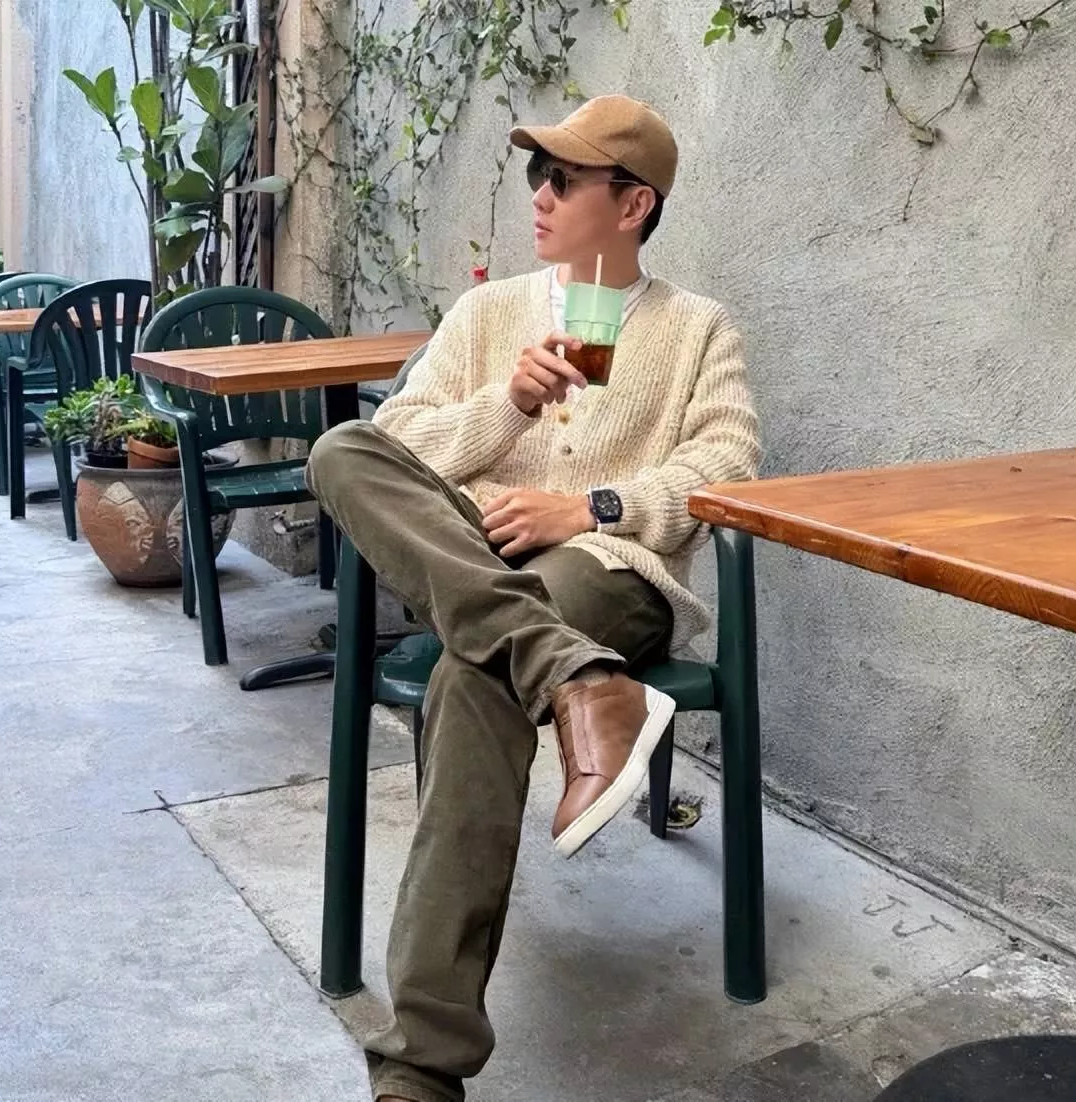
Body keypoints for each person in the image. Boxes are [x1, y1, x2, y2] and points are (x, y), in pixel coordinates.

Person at [306, 93, 762, 1102]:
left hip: (609, 571)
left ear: (634, 204)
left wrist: (590, 506)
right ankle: (575, 676)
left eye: (564, 178)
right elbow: (397, 447)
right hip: (472, 560)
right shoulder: (487, 315)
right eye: (535, 176)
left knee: (472, 679)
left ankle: (419, 1070)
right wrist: (505, 404)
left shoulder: (697, 328)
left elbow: (726, 468)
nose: (540, 197)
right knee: (340, 447)